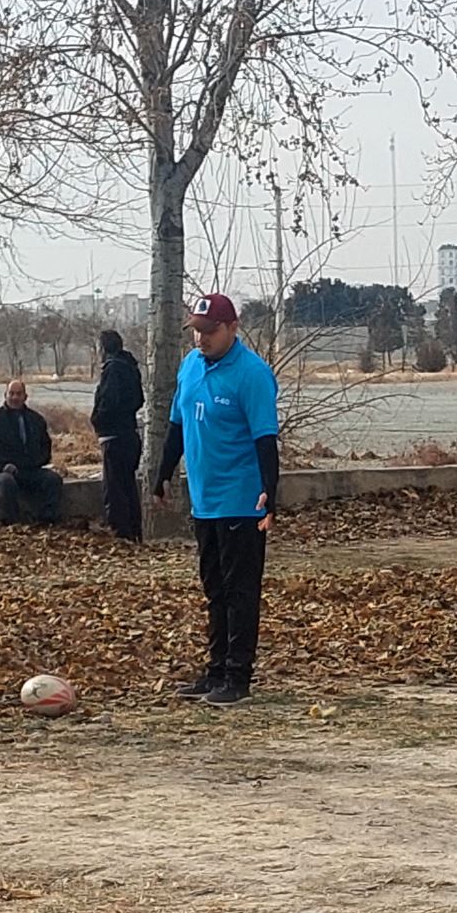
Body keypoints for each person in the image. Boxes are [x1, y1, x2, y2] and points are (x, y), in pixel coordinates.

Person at [154, 293, 280, 708]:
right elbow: (177, 424)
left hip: (242, 499)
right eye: (197, 331)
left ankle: (238, 676)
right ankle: (215, 670)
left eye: (210, 331)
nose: (201, 338)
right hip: (204, 499)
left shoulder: (252, 374)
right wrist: (163, 472)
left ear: (232, 328)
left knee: (239, 590)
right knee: (214, 588)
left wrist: (270, 492)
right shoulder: (190, 366)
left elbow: (265, 438)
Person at [0, 380, 63, 526]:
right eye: (11, 394)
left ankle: (47, 520)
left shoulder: (36, 420)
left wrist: (36, 462)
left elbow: (46, 448)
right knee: (6, 482)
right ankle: (12, 522)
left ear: (25, 397)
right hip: (3, 471)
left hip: (31, 470)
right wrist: (2, 466)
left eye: (19, 394)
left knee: (53, 479)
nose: (15, 397)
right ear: (5, 395)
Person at [92, 329, 144, 541]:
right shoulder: (130, 367)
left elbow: (109, 401)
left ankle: (120, 533)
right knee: (128, 485)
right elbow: (139, 399)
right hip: (130, 433)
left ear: (103, 348)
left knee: (114, 489)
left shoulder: (112, 370)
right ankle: (134, 531)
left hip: (114, 435)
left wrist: (98, 420)